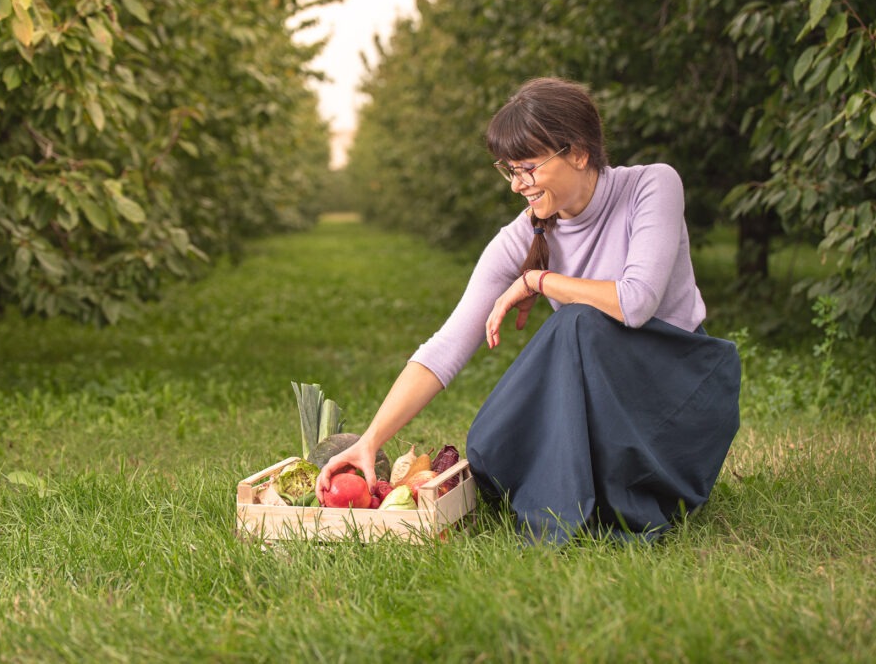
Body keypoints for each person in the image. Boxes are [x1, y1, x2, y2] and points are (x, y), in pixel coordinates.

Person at [315, 77, 741, 544]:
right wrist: (369, 440)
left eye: (528, 168)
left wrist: (538, 280)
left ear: (578, 153)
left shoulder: (652, 184)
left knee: (575, 323)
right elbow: (447, 345)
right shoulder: (523, 235)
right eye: (509, 171)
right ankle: (578, 495)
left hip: (676, 397)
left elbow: (635, 303)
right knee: (488, 446)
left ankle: (590, 511)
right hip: (609, 403)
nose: (518, 185)